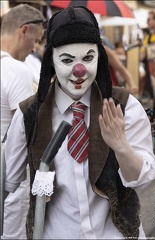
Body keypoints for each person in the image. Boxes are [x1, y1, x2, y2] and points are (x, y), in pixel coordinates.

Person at [4, 6, 155, 239]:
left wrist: (121, 146)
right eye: (67, 60)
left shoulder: (124, 106)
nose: (79, 70)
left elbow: (144, 180)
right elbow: (13, 187)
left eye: (88, 57)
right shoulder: (28, 114)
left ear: (99, 55)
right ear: (52, 60)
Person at [1, 4, 45, 239]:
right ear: (24, 30)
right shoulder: (15, 70)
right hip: (10, 179)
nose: (34, 48)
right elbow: (29, 130)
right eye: (36, 40)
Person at [140, 10, 155, 99]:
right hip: (153, 75)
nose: (147, 22)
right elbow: (141, 56)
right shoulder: (148, 38)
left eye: (149, 19)